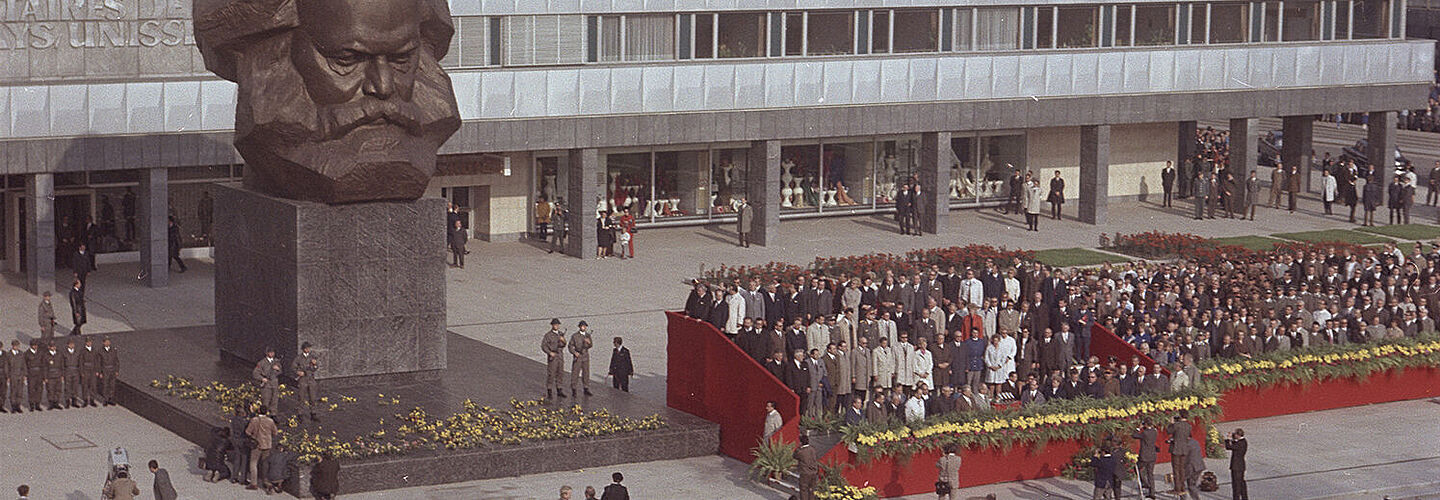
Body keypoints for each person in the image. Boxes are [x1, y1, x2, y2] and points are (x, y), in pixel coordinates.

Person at [245, 405, 278, 490]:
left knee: (253, 463)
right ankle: (265, 481)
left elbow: (248, 432)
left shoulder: (254, 420)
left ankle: (254, 483)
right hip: (267, 445)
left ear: (259, 411)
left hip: (256, 445)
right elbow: (275, 433)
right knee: (265, 463)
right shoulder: (270, 421)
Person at [293, 341, 320, 421]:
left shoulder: (312, 357)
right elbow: (293, 367)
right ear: (303, 349)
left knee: (313, 397)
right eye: (307, 348)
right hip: (303, 379)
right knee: (301, 397)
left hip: (311, 379)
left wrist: (315, 364)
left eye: (309, 348)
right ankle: (300, 413)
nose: (308, 349)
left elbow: (315, 368)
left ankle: (313, 413)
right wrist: (298, 372)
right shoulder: (298, 358)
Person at [1132, 421, 1160, 499]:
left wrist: (1138, 428)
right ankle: (1152, 493)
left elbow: (1134, 435)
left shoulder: (1145, 433)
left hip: (1144, 456)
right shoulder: (1154, 431)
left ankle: (1144, 482)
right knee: (1150, 474)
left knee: (1137, 468)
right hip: (1152, 455)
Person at [543, 319, 568, 399]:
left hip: (560, 355)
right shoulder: (548, 335)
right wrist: (550, 353)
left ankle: (559, 389)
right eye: (555, 325)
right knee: (552, 374)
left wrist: (563, 340)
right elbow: (544, 346)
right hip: (553, 356)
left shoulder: (560, 334)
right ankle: (549, 391)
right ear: (552, 325)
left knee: (560, 373)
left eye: (557, 325)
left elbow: (563, 345)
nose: (556, 326)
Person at [252, 348, 281, 414]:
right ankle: (265, 415)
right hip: (266, 384)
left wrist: (278, 369)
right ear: (267, 353)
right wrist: (262, 379)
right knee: (266, 400)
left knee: (274, 401)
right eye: (270, 352)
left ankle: (273, 415)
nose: (272, 354)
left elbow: (280, 372)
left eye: (273, 352)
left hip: (274, 383)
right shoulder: (262, 363)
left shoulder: (276, 362)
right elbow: (255, 373)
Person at [570, 321, 595, 397]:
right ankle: (574, 389)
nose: (583, 327)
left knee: (586, 373)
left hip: (585, 356)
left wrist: (589, 342)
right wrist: (574, 352)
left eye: (584, 326)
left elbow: (591, 345)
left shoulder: (588, 335)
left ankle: (586, 388)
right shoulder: (575, 336)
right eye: (582, 326)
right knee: (575, 373)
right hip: (578, 356)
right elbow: (570, 346)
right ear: (579, 327)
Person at [794, 433, 819, 500]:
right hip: (814, 472)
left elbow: (794, 456)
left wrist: (799, 447)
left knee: (804, 490)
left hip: (805, 472)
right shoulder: (812, 449)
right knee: (811, 490)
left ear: (801, 442)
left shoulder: (800, 452)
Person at [1225, 428, 1249, 500]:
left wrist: (1228, 439)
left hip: (1236, 467)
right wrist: (1230, 438)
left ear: (1238, 435)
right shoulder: (1243, 441)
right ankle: (1244, 497)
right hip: (1241, 466)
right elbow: (1233, 441)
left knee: (1236, 485)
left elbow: (1229, 447)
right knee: (1241, 483)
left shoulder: (1240, 444)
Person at [99, 336, 119, 405]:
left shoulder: (113, 350)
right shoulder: (100, 351)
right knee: (105, 385)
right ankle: (105, 399)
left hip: (112, 369)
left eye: (108, 341)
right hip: (105, 369)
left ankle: (111, 398)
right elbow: (99, 362)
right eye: (106, 342)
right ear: (103, 343)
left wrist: (116, 370)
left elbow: (116, 361)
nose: (107, 343)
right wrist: (100, 372)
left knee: (112, 385)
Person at [5, 341, 24, 413]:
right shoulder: (8, 354)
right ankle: (13, 406)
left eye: (18, 346)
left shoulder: (21, 353)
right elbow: (6, 366)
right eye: (15, 346)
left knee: (20, 391)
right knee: (13, 391)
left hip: (20, 375)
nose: (16, 347)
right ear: (12, 346)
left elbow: (23, 364)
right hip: (13, 375)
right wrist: (8, 376)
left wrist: (24, 374)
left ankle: (18, 406)